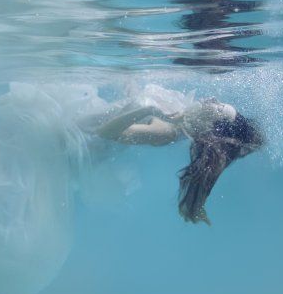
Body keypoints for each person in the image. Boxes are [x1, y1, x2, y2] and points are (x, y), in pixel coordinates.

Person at [93, 96, 264, 224]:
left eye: (217, 107)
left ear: (208, 128)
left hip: (94, 138)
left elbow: (103, 133)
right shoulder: (181, 113)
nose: (212, 99)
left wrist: (148, 110)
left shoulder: (166, 131)